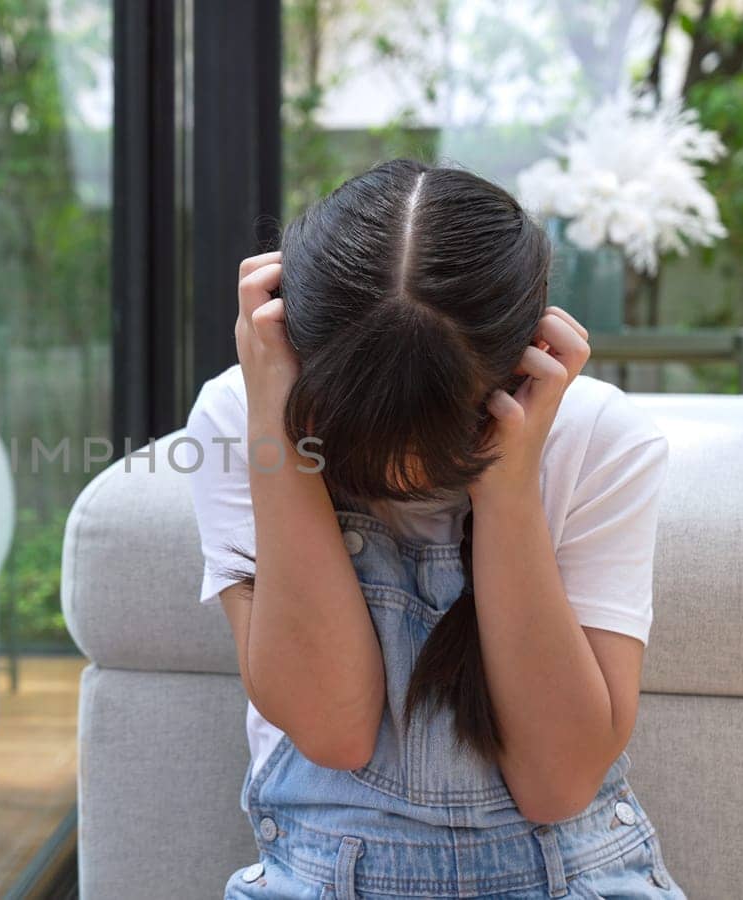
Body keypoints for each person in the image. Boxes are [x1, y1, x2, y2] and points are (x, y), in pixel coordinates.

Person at [183, 159, 685, 898]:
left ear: (527, 363)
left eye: (435, 432)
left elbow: (558, 781)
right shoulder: (241, 421)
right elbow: (334, 731)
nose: (400, 474)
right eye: (362, 426)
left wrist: (508, 491)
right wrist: (277, 434)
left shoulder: (600, 440)